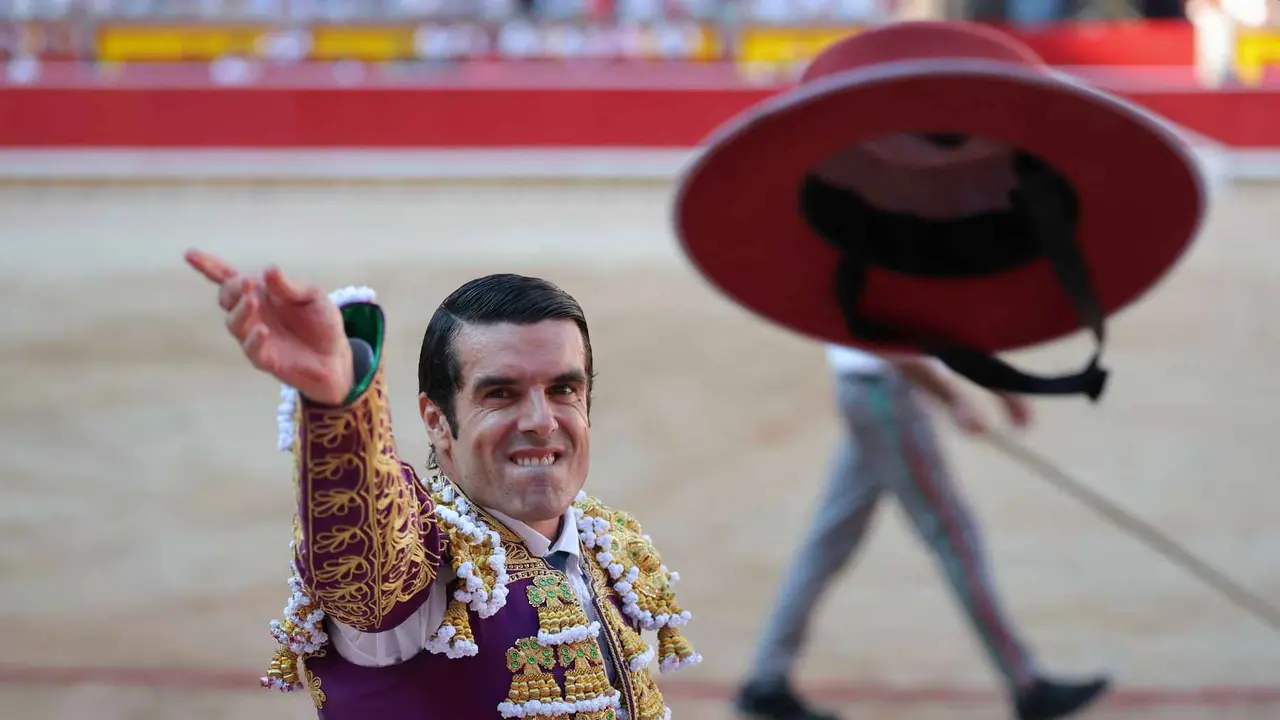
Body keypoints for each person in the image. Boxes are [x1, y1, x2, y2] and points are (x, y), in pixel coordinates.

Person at [184, 249, 701, 719]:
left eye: (564, 388)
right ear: (436, 420)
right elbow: (365, 542)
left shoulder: (612, 546)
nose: (542, 420)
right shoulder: (426, 565)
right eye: (501, 393)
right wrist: (342, 402)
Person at [733, 344, 1111, 720]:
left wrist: (997, 385)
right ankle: (1027, 684)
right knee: (954, 539)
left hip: (871, 390)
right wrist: (953, 398)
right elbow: (893, 345)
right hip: (885, 395)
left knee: (828, 543)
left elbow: (926, 325)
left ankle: (766, 681)